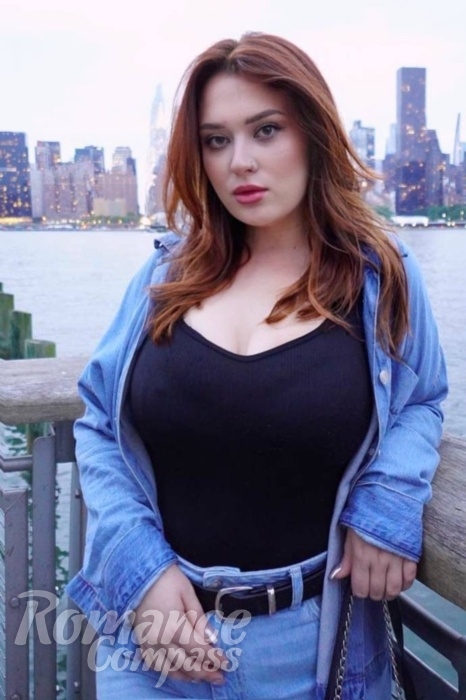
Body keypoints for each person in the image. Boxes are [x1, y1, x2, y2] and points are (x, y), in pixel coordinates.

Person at [66, 32, 447, 700]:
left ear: (313, 135)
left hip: (310, 647)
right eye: (216, 140)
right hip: (154, 640)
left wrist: (389, 499)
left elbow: (421, 399)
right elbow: (100, 421)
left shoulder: (379, 277)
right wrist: (140, 571)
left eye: (266, 130)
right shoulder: (164, 275)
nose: (240, 161)